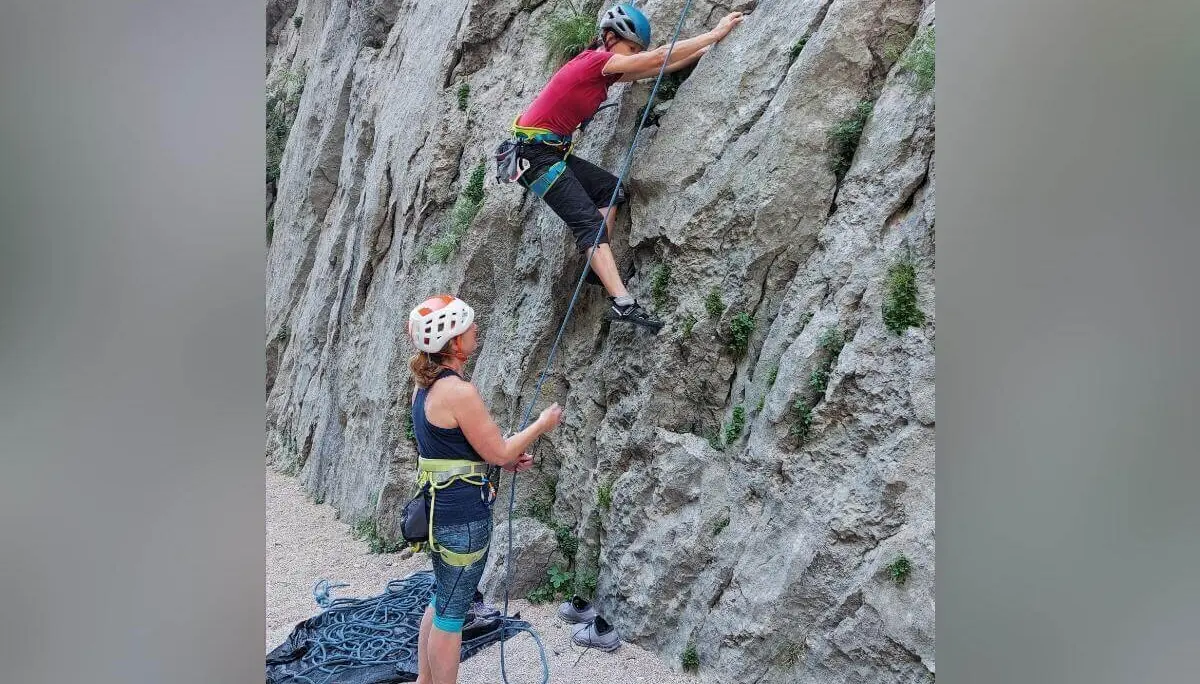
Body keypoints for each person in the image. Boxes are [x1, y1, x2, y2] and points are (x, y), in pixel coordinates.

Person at [506, 4, 745, 332]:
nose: (633, 55)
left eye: (636, 51)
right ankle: (622, 302)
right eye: (631, 48)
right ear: (609, 37)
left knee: (611, 190)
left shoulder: (604, 70)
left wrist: (708, 48)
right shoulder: (595, 62)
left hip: (548, 154)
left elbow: (660, 66)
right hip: (534, 158)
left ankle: (596, 263)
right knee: (588, 222)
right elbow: (659, 57)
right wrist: (716, 32)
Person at [406, 294, 564, 684]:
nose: (475, 329)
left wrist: (503, 458)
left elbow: (455, 449)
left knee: (441, 598)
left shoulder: (424, 388)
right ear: (454, 343)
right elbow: (498, 449)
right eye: (467, 326)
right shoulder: (459, 392)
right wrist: (541, 424)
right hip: (463, 520)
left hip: (438, 514)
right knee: (451, 614)